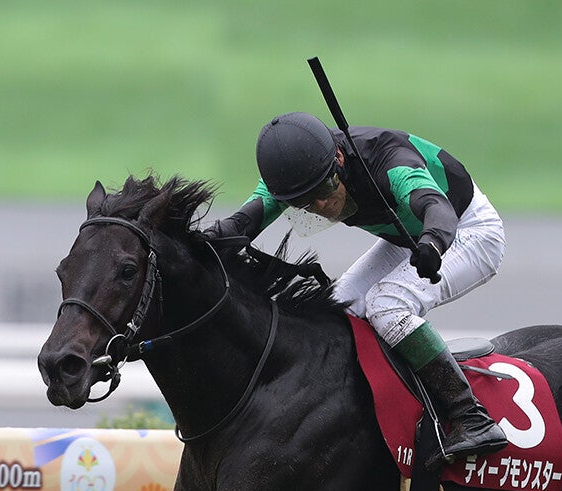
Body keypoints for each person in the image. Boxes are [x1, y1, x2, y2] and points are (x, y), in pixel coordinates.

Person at [206, 111, 508, 467]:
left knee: (387, 306)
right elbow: (240, 225)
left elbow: (434, 207)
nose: (320, 206)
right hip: (409, 236)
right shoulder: (295, 176)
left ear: (338, 158)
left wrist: (433, 244)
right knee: (341, 306)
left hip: (465, 230)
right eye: (303, 202)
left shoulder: (389, 159)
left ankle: (471, 416)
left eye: (322, 191)